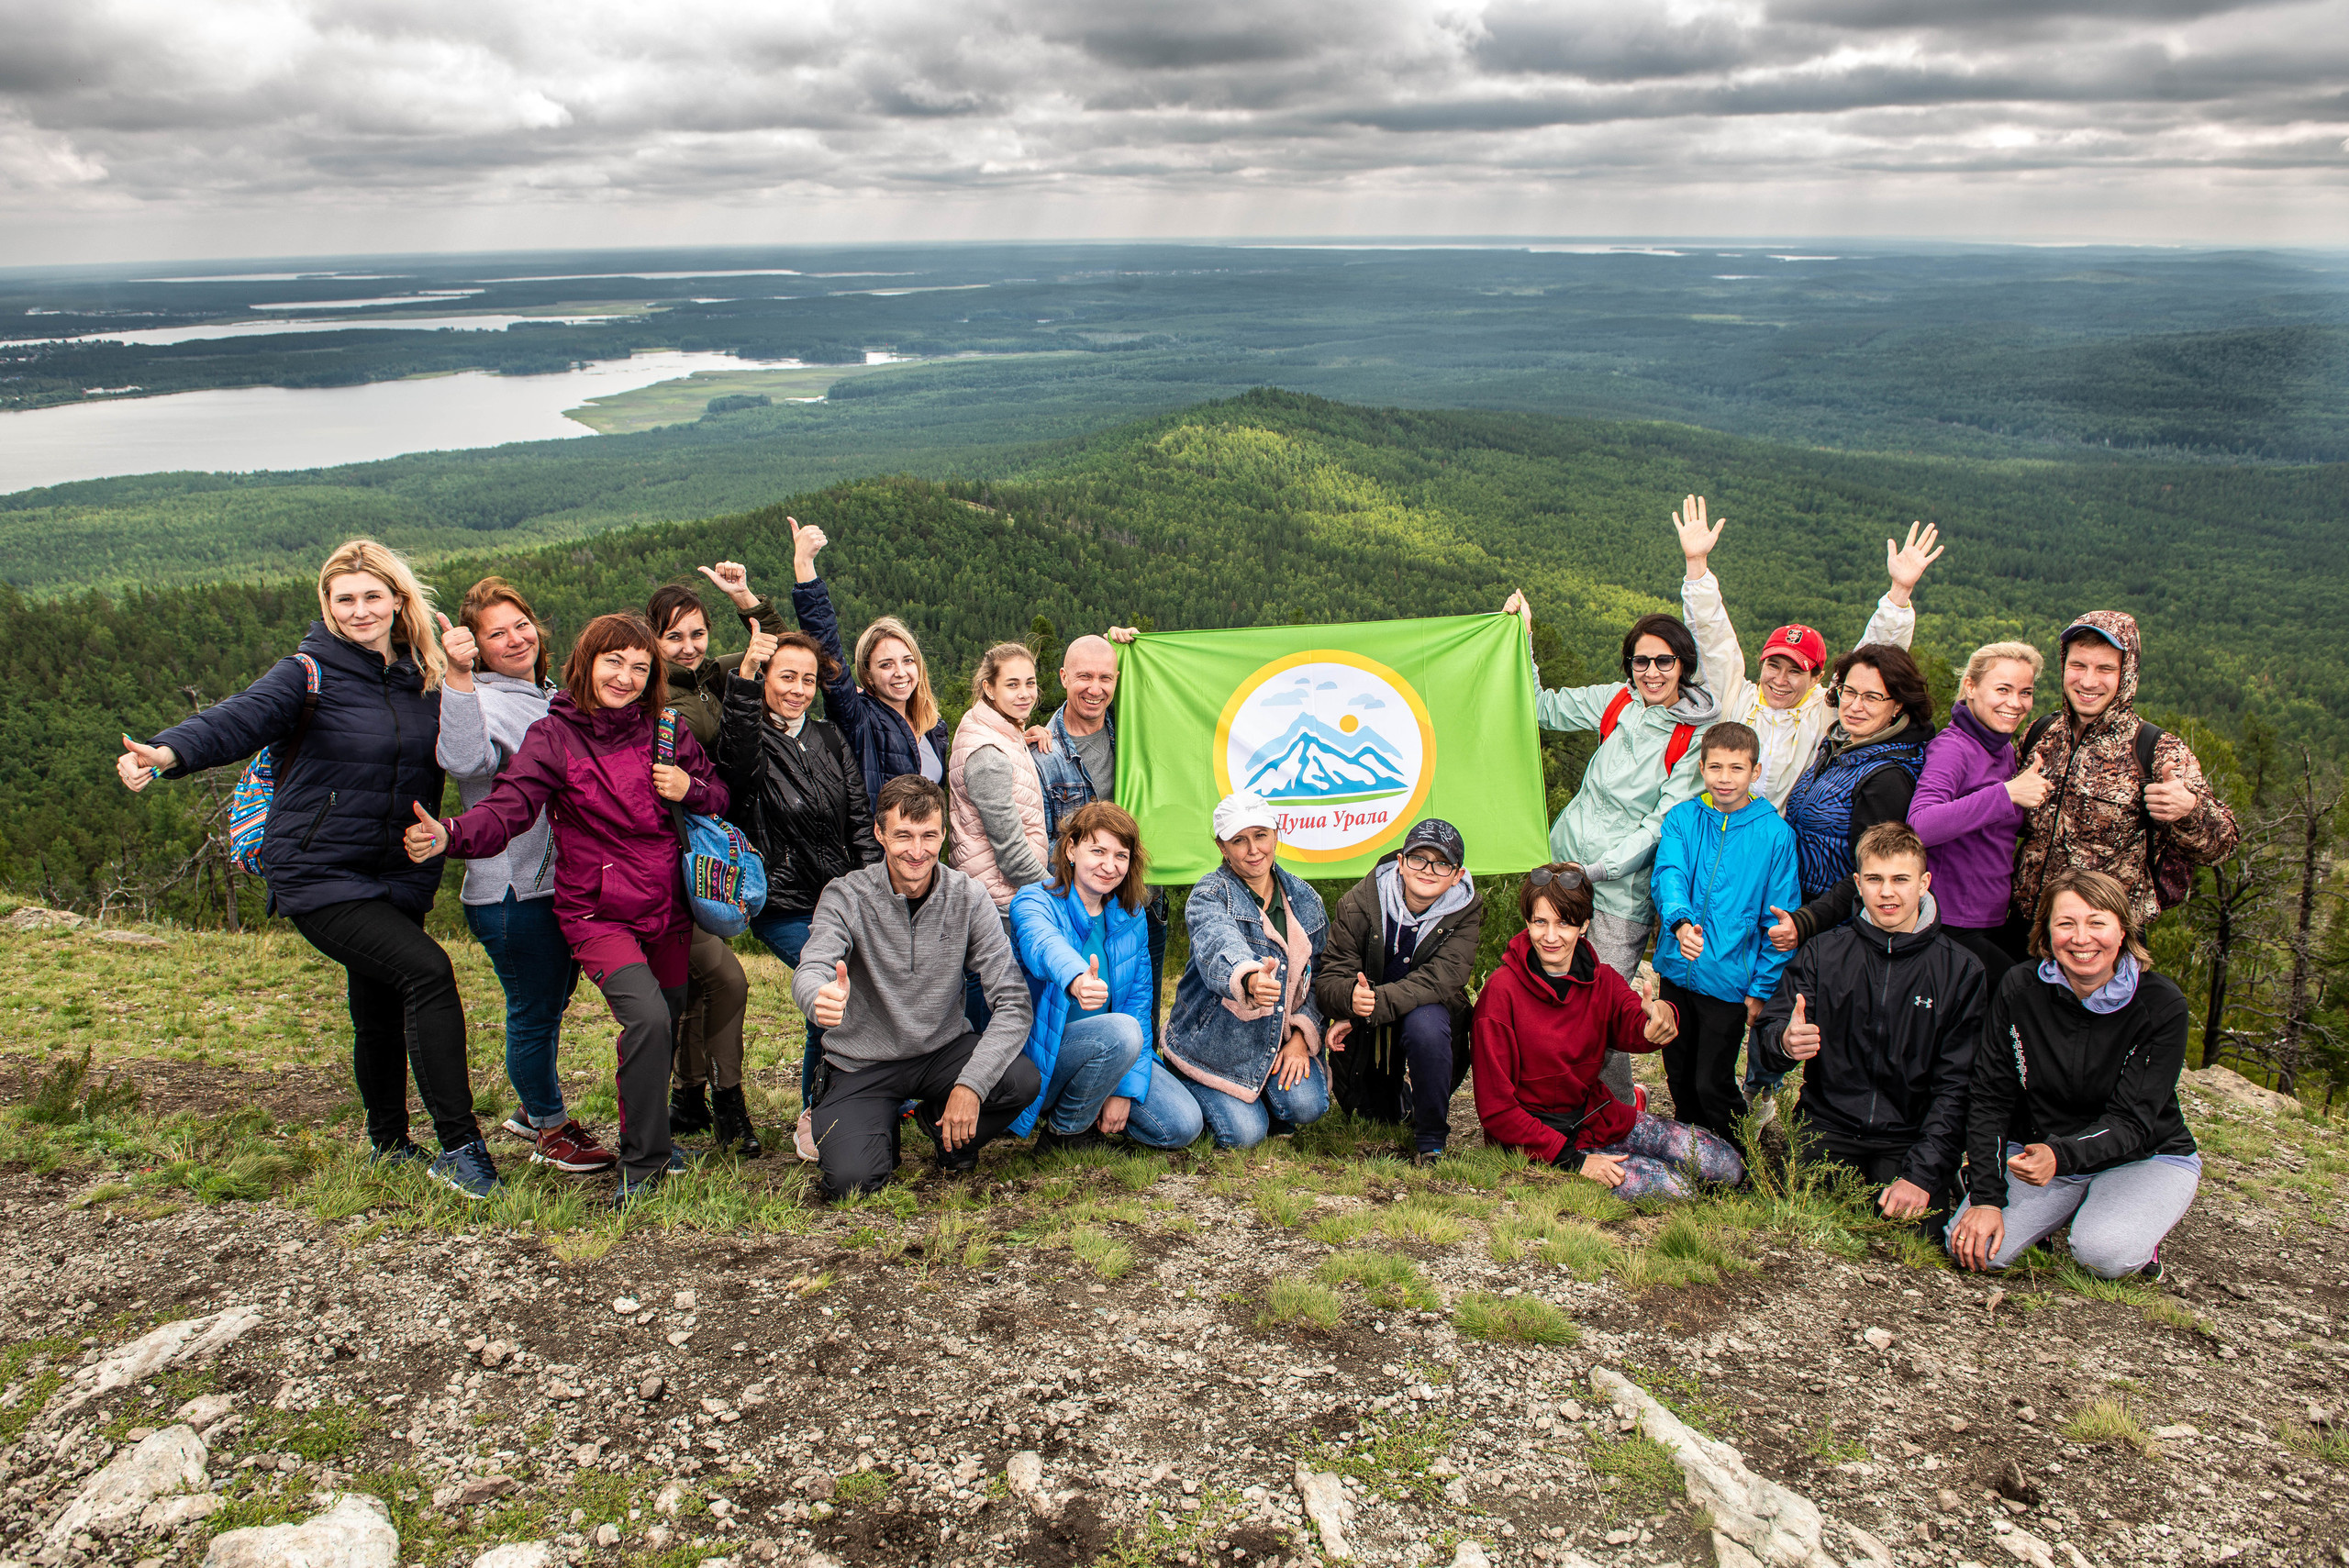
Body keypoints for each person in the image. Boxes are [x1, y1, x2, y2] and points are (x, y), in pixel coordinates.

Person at [117, 539, 499, 1199]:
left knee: (379, 1005)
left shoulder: (424, 675)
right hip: (318, 870)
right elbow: (238, 718)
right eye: (344, 598)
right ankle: (464, 1151)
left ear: (398, 600)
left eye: (372, 596)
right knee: (428, 972)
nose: (359, 610)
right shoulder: (307, 672)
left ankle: (388, 1144)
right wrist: (167, 752)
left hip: (398, 871)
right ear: (326, 604)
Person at [403, 612, 728, 1207]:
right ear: (585, 662)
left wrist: (692, 789)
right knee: (647, 1018)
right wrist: (453, 834)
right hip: (598, 913)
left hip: (669, 910)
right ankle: (644, 1166)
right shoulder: (553, 737)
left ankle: (646, 1136)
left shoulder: (667, 729)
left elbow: (717, 794)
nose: (625, 677)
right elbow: (508, 808)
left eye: (639, 667)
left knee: (663, 1019)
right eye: (613, 662)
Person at [1501, 592, 1721, 1104]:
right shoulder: (1618, 700)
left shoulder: (1693, 735)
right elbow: (1541, 708)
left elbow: (1660, 824)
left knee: (1600, 1006)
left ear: (1683, 665)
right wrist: (1522, 637)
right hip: (1562, 871)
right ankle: (1553, 1099)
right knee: (1550, 992)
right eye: (1641, 661)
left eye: (1664, 661)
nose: (1652, 672)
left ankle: (1618, 1108)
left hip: (1622, 890)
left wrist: (1598, 870)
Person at [435, 576, 615, 1173]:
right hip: (512, 889)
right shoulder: (481, 699)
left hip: (556, 885)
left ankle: (529, 1107)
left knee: (552, 999)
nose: (515, 639)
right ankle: (551, 1128)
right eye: (496, 634)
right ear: (478, 647)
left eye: (521, 625)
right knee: (533, 1010)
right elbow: (464, 759)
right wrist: (457, 676)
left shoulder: (546, 695)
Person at [790, 776, 1040, 1199]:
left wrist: (971, 1085)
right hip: (862, 1062)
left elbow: (1013, 1001)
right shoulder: (846, 895)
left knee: (1021, 1080)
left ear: (943, 835)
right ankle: (873, 1126)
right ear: (880, 833)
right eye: (903, 835)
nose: (918, 850)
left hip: (942, 1052)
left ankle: (939, 1126)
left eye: (929, 836)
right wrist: (818, 996)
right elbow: (812, 965)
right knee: (851, 1183)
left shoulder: (969, 896)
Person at [1948, 869, 2199, 1280]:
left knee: (2104, 1255)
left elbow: (2132, 1121)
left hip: (2141, 1156)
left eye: (2097, 922)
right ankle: (2057, 1209)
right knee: (1973, 1250)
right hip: (2041, 1151)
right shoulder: (2019, 987)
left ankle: (2128, 1223)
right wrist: (1987, 1197)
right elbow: (1991, 1096)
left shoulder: (2161, 1004)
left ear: (2123, 930)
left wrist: (2060, 1156)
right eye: (2066, 923)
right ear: (2047, 933)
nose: (2081, 939)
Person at [1751, 823, 1984, 1231]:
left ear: (1924, 883)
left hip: (1909, 1138)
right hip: (1826, 1126)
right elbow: (1767, 1034)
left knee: (1913, 1238)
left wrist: (1923, 1174)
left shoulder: (1961, 971)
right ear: (1858, 884)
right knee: (1787, 1224)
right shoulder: (1823, 952)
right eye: (1875, 879)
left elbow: (1958, 1085)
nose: (1887, 892)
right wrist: (1784, 1043)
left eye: (1900, 880)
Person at [1471, 864, 1742, 1201]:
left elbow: (1635, 1022)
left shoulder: (1603, 980)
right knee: (1679, 1190)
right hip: (1535, 1142)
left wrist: (1660, 1017)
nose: (1550, 936)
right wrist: (1576, 1162)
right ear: (1527, 921)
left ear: (1584, 924)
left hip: (1595, 1118)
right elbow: (1496, 1110)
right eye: (1540, 922)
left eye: (1564, 923)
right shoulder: (1500, 993)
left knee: (1726, 1165)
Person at [723, 627, 882, 1162]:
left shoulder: (829, 739)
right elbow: (735, 774)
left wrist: (878, 892)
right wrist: (744, 682)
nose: (797, 690)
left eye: (808, 680)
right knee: (831, 990)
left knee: (849, 990)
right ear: (765, 678)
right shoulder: (748, 739)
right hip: (782, 902)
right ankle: (815, 1111)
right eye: (786, 676)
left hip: (839, 898)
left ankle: (852, 1097)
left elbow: (859, 820)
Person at [1675, 495, 1940, 808]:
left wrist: (1900, 592)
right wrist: (1696, 563)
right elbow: (1713, 639)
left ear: (1817, 678)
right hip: (1718, 826)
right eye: (1774, 666)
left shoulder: (1825, 712)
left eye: (1795, 671)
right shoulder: (1738, 699)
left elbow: (1874, 661)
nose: (1780, 680)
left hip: (1786, 836)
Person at [646, 567, 779, 1143]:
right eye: (673, 637)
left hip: (708, 854)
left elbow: (781, 645)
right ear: (651, 639)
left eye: (697, 634)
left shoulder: (716, 676)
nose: (689, 647)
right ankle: (728, 1103)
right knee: (725, 979)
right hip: (669, 857)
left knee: (699, 983)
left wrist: (744, 598)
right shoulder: (650, 694)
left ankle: (689, 1098)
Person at [2009, 611, 2240, 932]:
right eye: (2078, 665)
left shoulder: (2157, 751)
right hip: (2024, 925)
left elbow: (2222, 845)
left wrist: (2190, 809)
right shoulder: (2040, 734)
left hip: (2104, 939)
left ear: (2127, 673)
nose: (2088, 681)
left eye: (2105, 669)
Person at [1162, 792, 1353, 1150]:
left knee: (1309, 1105)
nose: (1253, 850)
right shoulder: (1209, 895)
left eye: (1261, 835)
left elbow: (1320, 976)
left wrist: (1301, 1039)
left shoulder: (1307, 899)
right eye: (1239, 840)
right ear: (1222, 847)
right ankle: (1185, 1074)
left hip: (1279, 1039)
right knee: (1244, 1134)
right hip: (1215, 1047)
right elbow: (1219, 942)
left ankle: (1262, 1095)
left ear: (1275, 835)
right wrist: (1248, 978)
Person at [1008, 803, 1204, 1152]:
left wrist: (1123, 1089)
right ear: (1071, 849)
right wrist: (1077, 979)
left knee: (1183, 1123)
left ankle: (1092, 1099)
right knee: (1122, 1032)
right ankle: (1065, 1133)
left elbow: (1138, 1004)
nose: (1110, 866)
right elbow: (1044, 945)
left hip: (1115, 1050)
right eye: (1098, 851)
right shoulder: (1034, 900)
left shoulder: (1131, 915)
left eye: (1120, 856)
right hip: (1045, 1055)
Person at [1649, 722, 1800, 1146]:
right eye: (1715, 767)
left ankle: (1738, 1155)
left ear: (1755, 772)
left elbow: (1778, 921)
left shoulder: (1775, 835)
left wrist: (1761, 989)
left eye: (1737, 768)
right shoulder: (1682, 819)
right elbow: (1669, 874)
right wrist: (1680, 924)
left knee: (1711, 1081)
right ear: (1701, 768)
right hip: (1677, 970)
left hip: (1730, 982)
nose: (1725, 778)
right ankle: (1691, 1150)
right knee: (1678, 1073)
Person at [1309, 818, 1485, 1164]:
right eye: (1418, 858)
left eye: (1442, 863)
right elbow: (1329, 980)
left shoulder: (1467, 910)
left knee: (1426, 1025)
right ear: (1401, 862)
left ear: (1457, 875)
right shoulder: (1357, 903)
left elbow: (1441, 978)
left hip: (1429, 1012)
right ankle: (1399, 1096)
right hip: (1370, 1028)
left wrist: (1369, 1007)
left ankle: (1431, 1139)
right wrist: (1350, 997)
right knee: (1376, 1114)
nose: (1428, 870)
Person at [1030, 626, 1166, 1048]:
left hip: (1140, 900)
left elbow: (1173, 695)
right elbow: (1044, 844)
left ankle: (1138, 1081)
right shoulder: (1042, 753)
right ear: (1063, 677)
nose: (1095, 688)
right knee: (1079, 1017)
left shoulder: (1132, 728)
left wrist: (1130, 647)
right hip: (1079, 914)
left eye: (1106, 677)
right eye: (1084, 676)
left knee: (1141, 1012)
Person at [1772, 644, 1936, 949]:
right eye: (1849, 692)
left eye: (1872, 697)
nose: (1854, 706)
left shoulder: (1887, 778)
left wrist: (1807, 921)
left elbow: (1871, 872)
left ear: (1898, 705)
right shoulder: (1839, 745)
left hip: (1835, 932)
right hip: (1797, 909)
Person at [1909, 641, 2051, 994]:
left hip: (1989, 919)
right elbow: (1920, 825)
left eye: (2025, 692)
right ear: (1970, 687)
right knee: (2027, 997)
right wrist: (2008, 793)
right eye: (2003, 689)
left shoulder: (2002, 748)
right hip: (1952, 923)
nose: (2015, 702)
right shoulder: (1953, 748)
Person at [785, 517, 951, 808]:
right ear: (868, 675)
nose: (900, 672)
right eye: (886, 665)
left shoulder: (933, 726)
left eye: (907, 661)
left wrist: (1018, 735)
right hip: (877, 839)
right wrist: (805, 566)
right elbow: (828, 652)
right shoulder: (859, 719)